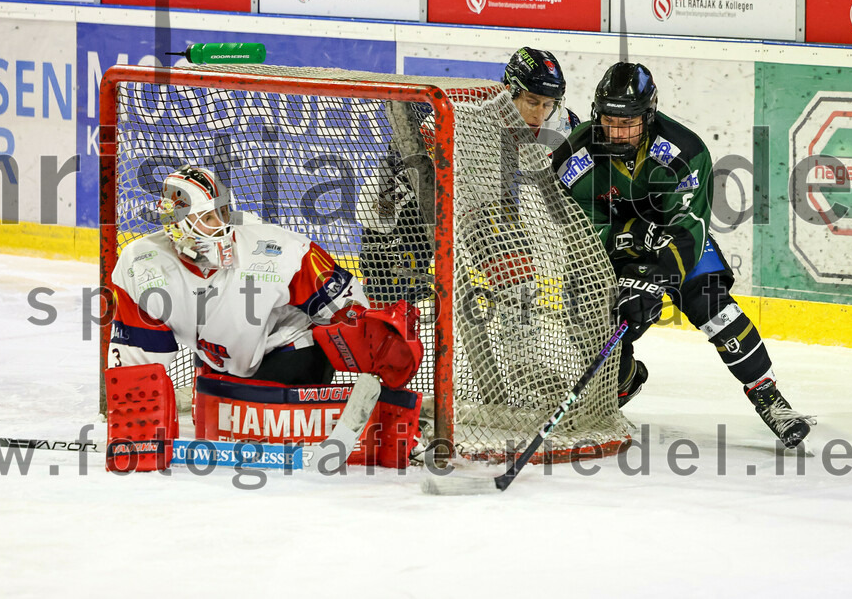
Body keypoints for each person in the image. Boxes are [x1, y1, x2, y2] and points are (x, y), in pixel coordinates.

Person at [551, 62, 815, 448]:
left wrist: (656, 278)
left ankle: (768, 396)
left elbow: (688, 229)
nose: (618, 131)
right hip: (614, 250)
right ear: (596, 114)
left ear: (649, 116)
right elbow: (578, 229)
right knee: (599, 321)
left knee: (712, 303)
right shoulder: (575, 155)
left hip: (673, 244)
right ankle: (623, 381)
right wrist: (627, 255)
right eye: (610, 121)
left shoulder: (684, 151)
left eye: (630, 122)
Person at [106, 164, 423, 471]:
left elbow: (350, 310)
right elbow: (141, 363)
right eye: (207, 217)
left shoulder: (276, 248)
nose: (222, 225)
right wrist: (136, 428)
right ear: (178, 226)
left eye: (224, 212)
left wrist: (376, 340)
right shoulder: (143, 266)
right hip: (221, 358)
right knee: (220, 409)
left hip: (292, 351)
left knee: (252, 422)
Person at [357, 46, 577, 304]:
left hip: (480, 206)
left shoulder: (561, 126)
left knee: (518, 285)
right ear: (509, 91)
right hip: (423, 202)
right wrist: (376, 239)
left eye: (548, 104)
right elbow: (395, 172)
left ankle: (519, 336)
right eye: (532, 101)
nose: (540, 113)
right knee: (391, 296)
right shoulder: (464, 115)